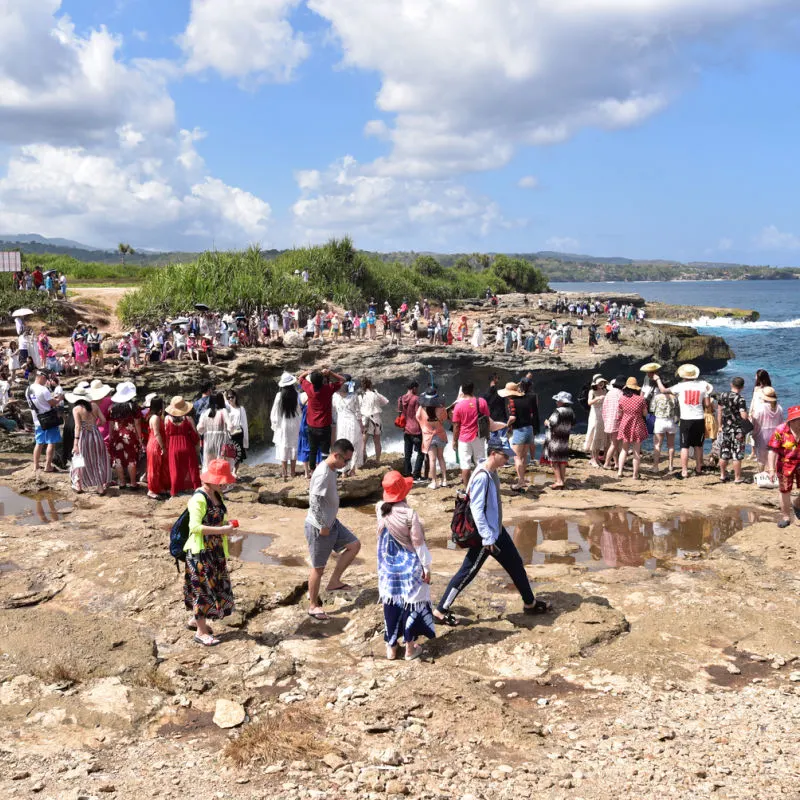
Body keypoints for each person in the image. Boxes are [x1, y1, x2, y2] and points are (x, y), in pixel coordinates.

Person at [433, 442, 550, 626]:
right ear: (494, 453)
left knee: (515, 564)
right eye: (504, 456)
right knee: (468, 571)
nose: (507, 459)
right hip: (485, 536)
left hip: (496, 530)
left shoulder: (491, 471)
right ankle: (440, 611)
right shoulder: (483, 477)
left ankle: (530, 603)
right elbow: (477, 510)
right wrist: (487, 537)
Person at [376, 471, 436, 660]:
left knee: (391, 605)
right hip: (410, 567)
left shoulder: (380, 508)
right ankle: (410, 649)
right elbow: (418, 544)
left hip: (388, 569)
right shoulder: (410, 514)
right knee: (412, 606)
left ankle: (391, 648)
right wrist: (426, 567)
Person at [304, 439, 362, 621]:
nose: (346, 465)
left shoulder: (331, 470)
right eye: (345, 460)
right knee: (318, 568)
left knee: (354, 545)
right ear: (336, 455)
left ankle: (334, 582)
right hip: (319, 526)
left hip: (332, 522)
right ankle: (313, 606)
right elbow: (314, 501)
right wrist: (323, 525)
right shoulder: (322, 473)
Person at [183, 459, 239, 646]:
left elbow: (216, 520)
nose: (224, 484)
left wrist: (226, 525)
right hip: (199, 553)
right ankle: (200, 631)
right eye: (221, 480)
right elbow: (195, 528)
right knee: (202, 590)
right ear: (212, 479)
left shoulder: (216, 494)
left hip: (214, 551)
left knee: (213, 586)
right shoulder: (198, 498)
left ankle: (195, 620)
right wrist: (222, 531)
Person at [658, 364, 712, 479]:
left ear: (684, 376)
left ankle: (684, 471)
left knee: (684, 446)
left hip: (686, 419)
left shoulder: (680, 386)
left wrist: (657, 379)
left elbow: (663, 390)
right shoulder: (703, 386)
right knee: (698, 445)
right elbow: (707, 404)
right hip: (699, 418)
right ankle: (698, 468)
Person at [298, 367, 345, 468]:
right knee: (325, 451)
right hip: (324, 425)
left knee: (312, 451)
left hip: (311, 425)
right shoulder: (328, 389)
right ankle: (325, 470)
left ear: (312, 382)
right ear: (322, 380)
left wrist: (307, 372)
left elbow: (300, 378)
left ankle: (312, 472)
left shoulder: (309, 388)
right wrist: (330, 372)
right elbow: (343, 380)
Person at [69, 386, 111, 495]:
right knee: (97, 460)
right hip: (96, 435)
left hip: (84, 436)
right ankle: (100, 487)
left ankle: (78, 485)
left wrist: (75, 443)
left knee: (80, 459)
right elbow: (103, 420)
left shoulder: (76, 409)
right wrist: (95, 426)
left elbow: (77, 427)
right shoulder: (94, 405)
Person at [767, 406, 800, 528]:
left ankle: (796, 503)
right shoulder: (780, 430)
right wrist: (771, 469)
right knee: (785, 490)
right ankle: (786, 517)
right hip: (785, 463)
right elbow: (773, 450)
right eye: (798, 419)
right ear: (791, 420)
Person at [452, 382, 490, 487]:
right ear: (473, 390)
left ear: (462, 391)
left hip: (464, 438)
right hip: (478, 436)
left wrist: (454, 441)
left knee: (465, 465)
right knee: (480, 462)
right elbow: (487, 419)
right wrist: (488, 435)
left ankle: (467, 489)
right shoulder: (481, 402)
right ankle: (482, 486)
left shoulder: (458, 406)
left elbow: (456, 426)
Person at [499, 381, 534, 491]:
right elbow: (531, 414)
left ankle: (520, 482)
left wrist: (507, 425)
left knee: (516, 457)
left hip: (520, 430)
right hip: (529, 429)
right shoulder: (526, 400)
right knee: (523, 457)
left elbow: (513, 417)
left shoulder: (512, 402)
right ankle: (522, 479)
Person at [107, 381, 142, 489]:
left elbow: (111, 424)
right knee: (131, 459)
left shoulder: (112, 408)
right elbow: (137, 423)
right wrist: (140, 437)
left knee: (118, 459)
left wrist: (111, 436)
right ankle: (133, 483)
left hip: (117, 435)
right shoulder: (133, 406)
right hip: (130, 436)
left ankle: (122, 483)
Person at [26, 370, 63, 472]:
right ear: (41, 377)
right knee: (51, 442)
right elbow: (52, 403)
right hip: (49, 419)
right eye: (46, 378)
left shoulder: (28, 389)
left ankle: (36, 466)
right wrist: (59, 399)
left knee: (39, 443)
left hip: (37, 420)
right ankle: (48, 466)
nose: (46, 381)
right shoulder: (43, 389)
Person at [165, 396, 202, 496]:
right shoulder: (188, 418)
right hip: (187, 445)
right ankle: (197, 488)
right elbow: (195, 434)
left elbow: (166, 434)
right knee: (192, 467)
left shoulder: (167, 419)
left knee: (175, 469)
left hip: (173, 447)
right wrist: (197, 444)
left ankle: (175, 491)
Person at [717, 377, 750, 484]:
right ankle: (737, 478)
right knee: (737, 455)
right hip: (738, 430)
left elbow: (719, 412)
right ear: (742, 387)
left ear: (731, 384)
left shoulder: (722, 395)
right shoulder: (740, 399)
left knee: (724, 453)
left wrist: (720, 426)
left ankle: (722, 475)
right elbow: (743, 416)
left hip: (726, 429)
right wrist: (748, 414)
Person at [270, 373, 302, 480]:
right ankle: (292, 472)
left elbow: (275, 412)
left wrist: (275, 425)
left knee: (283, 446)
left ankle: (284, 473)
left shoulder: (279, 395)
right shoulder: (297, 394)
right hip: (294, 424)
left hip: (283, 424)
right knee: (294, 446)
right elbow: (299, 411)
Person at [615, 378, 648, 479]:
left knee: (624, 450)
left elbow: (619, 414)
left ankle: (620, 471)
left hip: (625, 424)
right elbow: (645, 414)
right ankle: (635, 474)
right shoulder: (641, 399)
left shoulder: (622, 398)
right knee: (636, 452)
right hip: (637, 424)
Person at [542, 392, 576, 489]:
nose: (556, 402)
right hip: (564, 438)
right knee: (562, 460)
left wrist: (546, 422)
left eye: (558, 400)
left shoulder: (558, 411)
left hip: (555, 438)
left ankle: (559, 481)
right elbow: (573, 423)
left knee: (554, 461)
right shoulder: (571, 411)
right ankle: (562, 480)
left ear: (562, 401)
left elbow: (551, 424)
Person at [416, 389, 449, 489]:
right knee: (441, 457)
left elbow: (417, 417)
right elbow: (444, 418)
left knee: (432, 460)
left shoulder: (422, 409)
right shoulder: (441, 408)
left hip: (428, 437)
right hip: (440, 434)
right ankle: (444, 480)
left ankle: (434, 482)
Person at [333, 379, 364, 477]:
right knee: (354, 446)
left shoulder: (335, 396)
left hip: (341, 423)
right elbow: (358, 413)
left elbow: (333, 412)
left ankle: (343, 471)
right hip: (352, 422)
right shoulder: (354, 396)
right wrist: (361, 425)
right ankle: (352, 469)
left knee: (342, 446)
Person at [751, 386, 784, 471]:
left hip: (762, 434)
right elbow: (781, 424)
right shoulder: (779, 408)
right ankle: (774, 473)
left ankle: (761, 473)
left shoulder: (760, 408)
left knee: (761, 456)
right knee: (774, 455)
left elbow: (755, 422)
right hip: (776, 434)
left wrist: (753, 433)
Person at [197, 393, 232, 471]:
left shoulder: (205, 413)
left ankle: (210, 482)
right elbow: (230, 426)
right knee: (220, 465)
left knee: (209, 465)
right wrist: (229, 431)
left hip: (208, 443)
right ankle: (220, 483)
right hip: (221, 443)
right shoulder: (223, 411)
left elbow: (199, 428)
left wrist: (207, 432)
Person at [651, 379, 680, 473]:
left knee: (657, 445)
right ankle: (671, 465)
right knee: (671, 445)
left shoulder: (656, 397)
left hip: (660, 421)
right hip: (671, 421)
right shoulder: (674, 397)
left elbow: (652, 409)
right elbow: (677, 409)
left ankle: (655, 467)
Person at [398, 381, 425, 481]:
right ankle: (416, 474)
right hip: (416, 430)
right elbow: (418, 415)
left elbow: (400, 412)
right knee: (421, 453)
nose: (417, 390)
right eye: (417, 388)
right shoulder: (416, 399)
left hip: (406, 429)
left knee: (407, 454)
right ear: (413, 388)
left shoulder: (401, 399)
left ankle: (407, 473)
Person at [359, 377, 389, 464]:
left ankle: (362, 459)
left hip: (365, 419)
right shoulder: (375, 394)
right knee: (377, 441)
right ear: (370, 385)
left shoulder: (360, 395)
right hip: (376, 419)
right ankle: (377, 460)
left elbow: (357, 407)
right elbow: (385, 401)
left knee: (363, 442)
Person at [146, 397, 170, 499]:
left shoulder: (155, 416)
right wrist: (163, 447)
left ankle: (159, 487)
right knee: (154, 467)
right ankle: (151, 490)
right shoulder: (155, 417)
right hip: (156, 444)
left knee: (160, 466)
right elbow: (156, 433)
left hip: (156, 443)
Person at [602, 375, 625, 469]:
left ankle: (616, 463)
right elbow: (622, 409)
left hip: (609, 421)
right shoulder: (621, 394)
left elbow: (604, 408)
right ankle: (607, 463)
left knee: (614, 443)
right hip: (617, 421)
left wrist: (605, 420)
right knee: (615, 444)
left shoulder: (609, 393)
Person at [584, 375, 607, 468]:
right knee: (593, 434)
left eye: (602, 382)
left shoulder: (605, 390)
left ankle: (596, 458)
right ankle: (593, 458)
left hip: (603, 414)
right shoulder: (592, 391)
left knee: (600, 435)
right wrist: (597, 398)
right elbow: (589, 403)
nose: (601, 384)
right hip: (594, 414)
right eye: (599, 383)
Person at [224, 390, 249, 468]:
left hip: (238, 433)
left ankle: (235, 472)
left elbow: (245, 424)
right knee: (229, 454)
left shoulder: (241, 408)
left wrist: (246, 442)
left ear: (235, 397)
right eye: (228, 398)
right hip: (229, 434)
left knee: (238, 455)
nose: (230, 399)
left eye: (232, 397)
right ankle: (230, 472)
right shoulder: (226, 409)